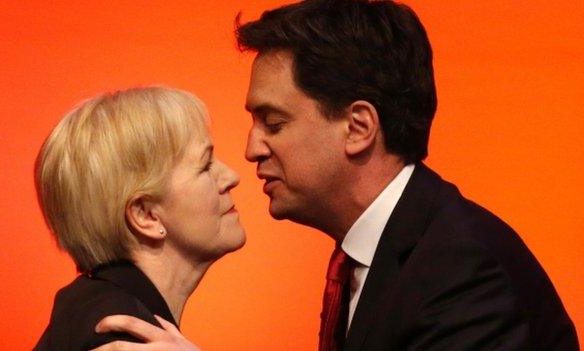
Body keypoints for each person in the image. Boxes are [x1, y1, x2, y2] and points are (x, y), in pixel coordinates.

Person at [93, 0, 580, 350]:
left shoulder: (463, 271)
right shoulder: (377, 253)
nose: (250, 149)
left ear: (358, 127)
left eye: (274, 123)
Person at [33, 86, 244, 350]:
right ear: (146, 215)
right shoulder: (122, 336)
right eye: (205, 166)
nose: (232, 177)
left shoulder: (95, 307)